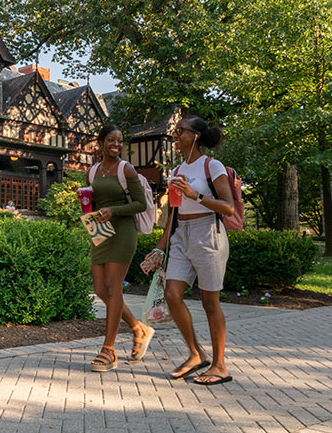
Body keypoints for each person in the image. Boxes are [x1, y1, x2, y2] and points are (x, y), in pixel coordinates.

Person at [151, 116, 235, 385]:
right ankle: (196, 354)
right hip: (181, 235)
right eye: (174, 133)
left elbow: (229, 207)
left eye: (180, 133)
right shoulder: (176, 170)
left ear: (196, 135)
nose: (175, 137)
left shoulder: (212, 166)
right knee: (171, 294)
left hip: (208, 232)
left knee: (211, 302)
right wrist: (159, 248)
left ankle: (220, 366)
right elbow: (173, 215)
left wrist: (195, 195)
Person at [86, 124, 155, 372]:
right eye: (111, 140)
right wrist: (85, 202)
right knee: (99, 289)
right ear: (101, 142)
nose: (116, 145)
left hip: (123, 231)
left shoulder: (126, 169)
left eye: (120, 141)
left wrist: (113, 211)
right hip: (100, 232)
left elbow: (139, 204)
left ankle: (109, 351)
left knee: (114, 288)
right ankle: (138, 328)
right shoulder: (93, 171)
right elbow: (94, 203)